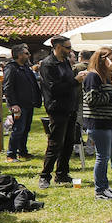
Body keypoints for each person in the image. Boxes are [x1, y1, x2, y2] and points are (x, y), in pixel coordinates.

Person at [36, 35, 80, 190]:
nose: (70, 50)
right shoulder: (48, 64)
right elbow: (53, 88)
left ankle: (61, 173)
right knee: (55, 143)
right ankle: (44, 176)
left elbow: (67, 83)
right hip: (57, 108)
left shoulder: (66, 62)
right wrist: (76, 81)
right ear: (57, 47)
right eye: (67, 47)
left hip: (70, 107)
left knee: (69, 142)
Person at [83, 47, 112, 200]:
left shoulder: (106, 76)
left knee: (105, 156)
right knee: (102, 156)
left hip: (108, 121)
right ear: (102, 60)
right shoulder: (92, 77)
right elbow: (92, 99)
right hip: (97, 122)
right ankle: (100, 190)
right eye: (111, 59)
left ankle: (105, 187)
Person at [2, 44, 40, 162]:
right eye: (26, 53)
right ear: (19, 55)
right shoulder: (11, 68)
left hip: (28, 104)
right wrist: (13, 104)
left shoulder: (25, 68)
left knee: (25, 129)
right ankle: (11, 154)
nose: (29, 55)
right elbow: (7, 87)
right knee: (18, 129)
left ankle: (22, 151)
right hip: (18, 105)